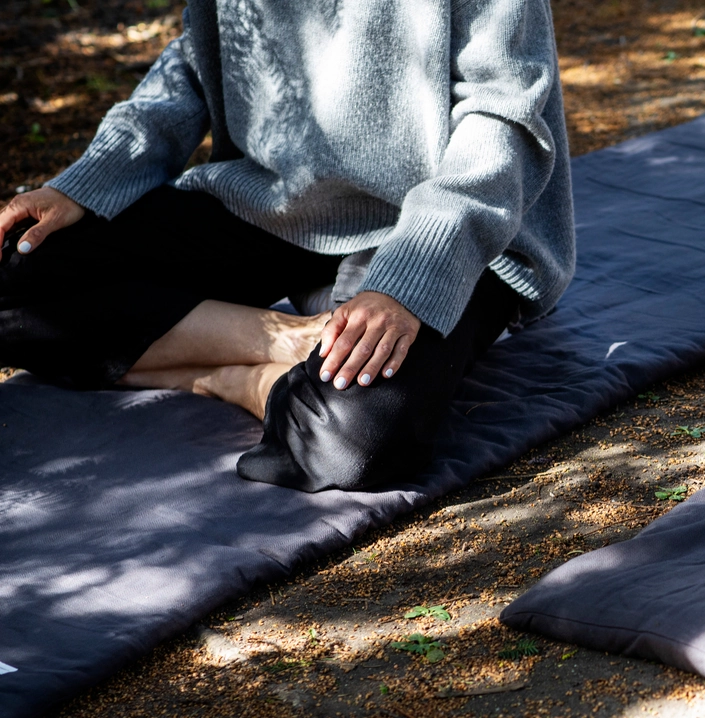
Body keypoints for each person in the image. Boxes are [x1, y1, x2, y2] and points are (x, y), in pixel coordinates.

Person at [0, 0, 574, 492]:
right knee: (13, 265)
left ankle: (226, 376)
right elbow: (199, 60)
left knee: (355, 437)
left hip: (442, 230)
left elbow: (502, 119)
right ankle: (282, 339)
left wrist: (409, 278)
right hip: (272, 205)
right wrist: (84, 183)